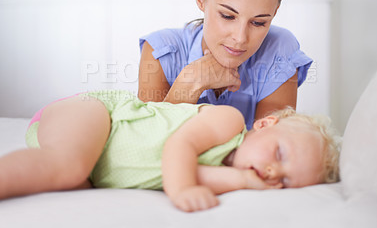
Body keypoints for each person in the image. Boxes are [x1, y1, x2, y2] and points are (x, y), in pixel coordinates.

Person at [0, 90, 341, 212]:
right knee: (67, 166)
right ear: (265, 125)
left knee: (74, 180)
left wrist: (246, 181)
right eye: (279, 156)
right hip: (97, 114)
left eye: (286, 180)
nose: (272, 172)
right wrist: (183, 191)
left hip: (94, 158)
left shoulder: (227, 174)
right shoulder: (229, 121)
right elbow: (181, 146)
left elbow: (198, 172)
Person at [138, 0, 313, 130]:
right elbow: (144, 148)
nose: (240, 38)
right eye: (228, 16)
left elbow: (268, 149)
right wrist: (190, 82)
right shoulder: (161, 52)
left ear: (274, 12)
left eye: (258, 22)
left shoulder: (279, 50)